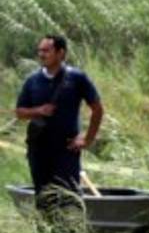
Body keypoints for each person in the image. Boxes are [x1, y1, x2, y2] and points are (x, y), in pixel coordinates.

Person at [14, 35, 104, 209]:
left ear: (60, 53)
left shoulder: (77, 78)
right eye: (39, 50)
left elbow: (97, 109)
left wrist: (87, 139)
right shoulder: (32, 80)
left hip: (67, 150)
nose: (41, 54)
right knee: (44, 198)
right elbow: (20, 112)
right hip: (38, 150)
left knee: (70, 199)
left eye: (46, 50)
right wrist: (38, 111)